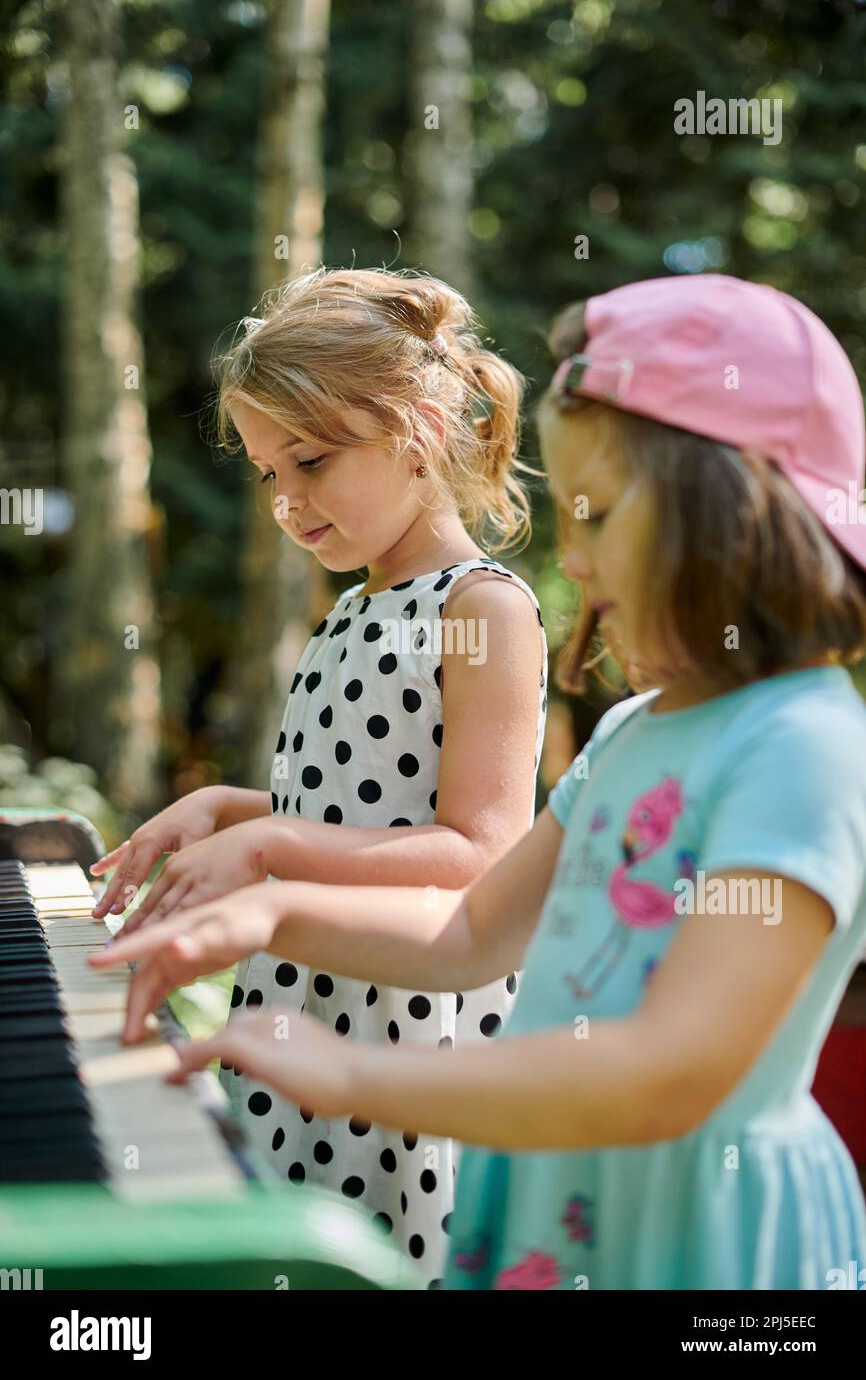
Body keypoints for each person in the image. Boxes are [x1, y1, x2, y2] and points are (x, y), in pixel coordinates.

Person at [94, 274, 866, 1289]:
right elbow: (469, 935)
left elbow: (668, 1071)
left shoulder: (803, 748)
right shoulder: (633, 732)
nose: (570, 559)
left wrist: (362, 1072)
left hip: (696, 1233)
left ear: (721, 510)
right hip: (554, 1192)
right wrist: (262, 919)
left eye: (591, 514)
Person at [90, 267, 548, 1284]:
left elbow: (479, 852)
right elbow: (353, 808)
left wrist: (270, 843)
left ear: (421, 423)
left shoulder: (481, 609)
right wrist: (234, 808)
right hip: (307, 998)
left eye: (310, 458)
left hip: (407, 1022)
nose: (287, 501)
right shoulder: (351, 607)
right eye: (265, 472)